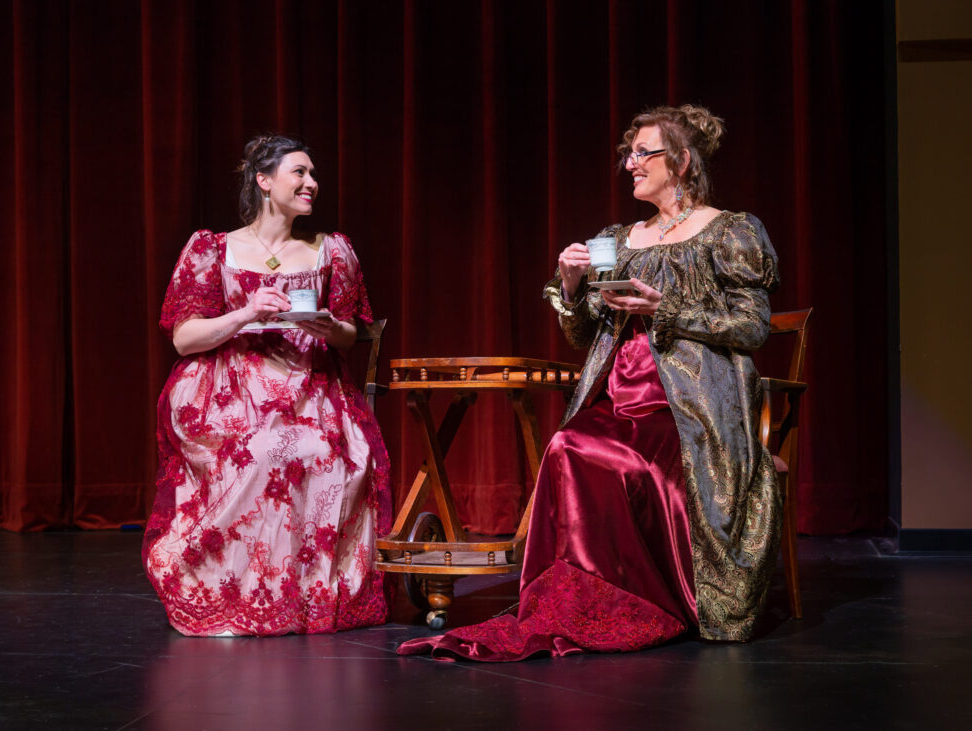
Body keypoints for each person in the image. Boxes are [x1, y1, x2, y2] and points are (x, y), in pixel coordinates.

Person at [398, 105, 781, 661]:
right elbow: (583, 335)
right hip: (618, 395)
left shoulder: (729, 231)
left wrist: (665, 307)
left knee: (634, 466)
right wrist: (575, 286)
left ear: (681, 161)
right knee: (568, 445)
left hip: (691, 407)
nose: (630, 164)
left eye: (642, 153)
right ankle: (591, 593)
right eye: (628, 154)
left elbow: (753, 326)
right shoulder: (617, 239)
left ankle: (652, 592)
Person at [143, 135, 391, 637]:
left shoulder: (330, 250)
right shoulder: (213, 249)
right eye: (299, 173)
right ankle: (236, 589)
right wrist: (246, 313)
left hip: (311, 388)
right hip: (230, 391)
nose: (311, 183)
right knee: (258, 452)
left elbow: (349, 332)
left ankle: (303, 593)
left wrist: (326, 327)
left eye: (313, 175)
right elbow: (184, 339)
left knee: (319, 451)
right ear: (263, 180)